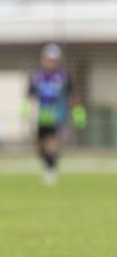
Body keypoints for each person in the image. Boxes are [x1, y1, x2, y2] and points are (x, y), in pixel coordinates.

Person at [25, 44, 86, 185]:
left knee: (52, 143)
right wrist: (26, 110)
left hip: (57, 114)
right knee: (40, 144)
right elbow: (29, 94)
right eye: (48, 59)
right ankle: (48, 165)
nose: (50, 62)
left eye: (53, 59)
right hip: (41, 115)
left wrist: (78, 114)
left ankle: (51, 171)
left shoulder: (63, 76)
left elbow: (72, 96)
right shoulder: (36, 76)